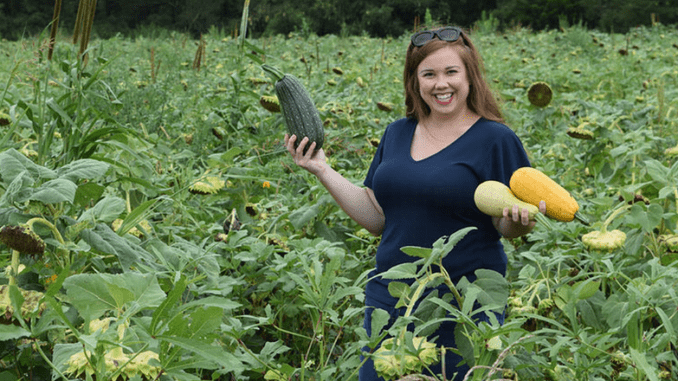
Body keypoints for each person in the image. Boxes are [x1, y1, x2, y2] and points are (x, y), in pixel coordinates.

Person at [284, 26, 546, 381]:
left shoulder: (495, 139)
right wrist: (322, 169)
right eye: (429, 74)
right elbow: (376, 216)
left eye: (451, 72)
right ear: (414, 80)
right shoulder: (397, 132)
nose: (442, 84)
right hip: (392, 297)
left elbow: (507, 225)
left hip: (464, 303)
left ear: (470, 76)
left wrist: (519, 221)